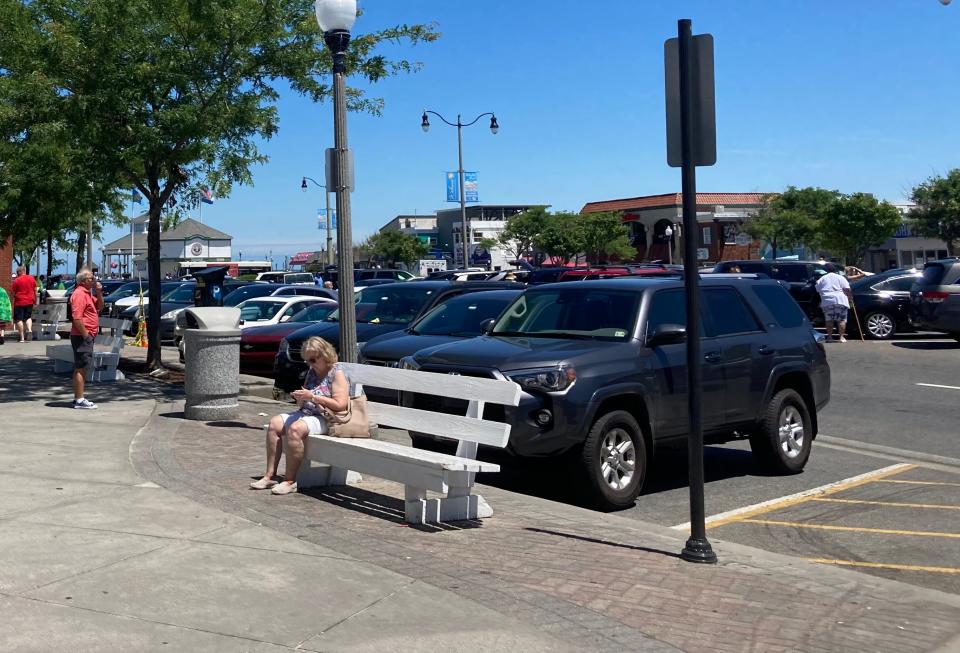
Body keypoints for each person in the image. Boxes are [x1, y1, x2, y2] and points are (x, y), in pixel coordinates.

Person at [250, 336, 350, 495]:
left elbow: (340, 405)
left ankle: (290, 480)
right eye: (307, 361)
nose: (310, 364)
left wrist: (313, 397)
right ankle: (270, 475)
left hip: (328, 418)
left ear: (325, 355)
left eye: (313, 360)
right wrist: (301, 398)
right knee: (274, 423)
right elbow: (307, 399)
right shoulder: (312, 372)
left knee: (295, 429)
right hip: (309, 412)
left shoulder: (336, 373)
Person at [69, 269, 105, 409]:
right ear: (83, 281)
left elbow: (100, 307)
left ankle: (78, 397)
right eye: (91, 278)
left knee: (83, 366)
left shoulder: (87, 294)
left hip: (87, 335)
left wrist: (99, 292)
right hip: (81, 336)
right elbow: (77, 318)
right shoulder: (79, 294)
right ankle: (79, 399)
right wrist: (86, 336)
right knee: (81, 367)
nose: (94, 279)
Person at [815, 263, 853, 343]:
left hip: (827, 301)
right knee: (841, 319)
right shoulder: (841, 278)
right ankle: (841, 337)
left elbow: (817, 290)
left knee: (829, 320)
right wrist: (850, 298)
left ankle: (829, 337)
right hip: (840, 300)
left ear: (826, 270)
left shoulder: (822, 279)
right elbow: (847, 289)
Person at [11, 266, 37, 343]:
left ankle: (22, 338)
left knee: (19, 319)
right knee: (28, 317)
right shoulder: (31, 278)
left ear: (19, 272)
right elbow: (35, 290)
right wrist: (35, 300)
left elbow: (13, 292)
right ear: (24, 271)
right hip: (30, 301)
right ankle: (29, 329)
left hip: (19, 302)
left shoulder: (16, 280)